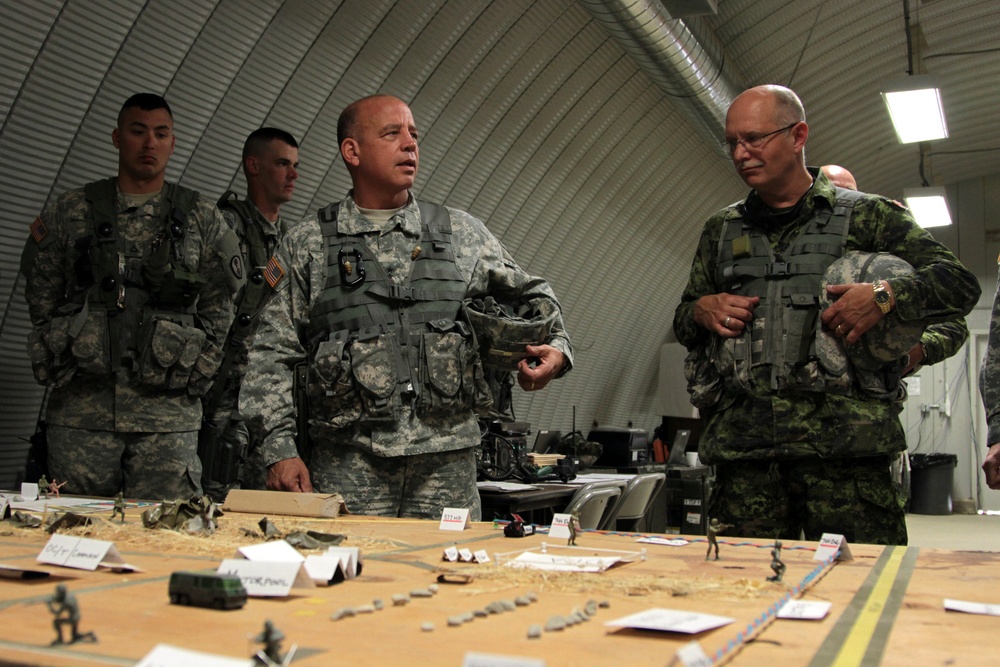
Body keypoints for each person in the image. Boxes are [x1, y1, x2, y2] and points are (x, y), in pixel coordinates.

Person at [241, 95, 573, 521]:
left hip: (447, 466)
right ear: (352, 152)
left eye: (414, 134)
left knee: (452, 580)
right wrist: (279, 450)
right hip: (349, 465)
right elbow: (268, 354)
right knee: (349, 581)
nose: (410, 144)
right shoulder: (308, 245)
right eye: (392, 133)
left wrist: (558, 351)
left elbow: (537, 299)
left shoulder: (460, 235)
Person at [673, 85, 979, 545]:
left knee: (859, 595)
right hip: (749, 460)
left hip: (846, 460)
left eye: (754, 138)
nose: (741, 153)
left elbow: (959, 285)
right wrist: (699, 310)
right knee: (743, 593)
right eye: (732, 142)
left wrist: (882, 296)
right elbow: (682, 321)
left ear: (798, 135)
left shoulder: (868, 217)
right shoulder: (721, 229)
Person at [21, 93, 244, 501]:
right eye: (138, 132)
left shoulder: (201, 217)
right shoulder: (71, 211)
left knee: (167, 532)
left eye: (161, 134)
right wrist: (64, 346)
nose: (149, 143)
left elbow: (221, 306)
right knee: (73, 528)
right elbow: (41, 293)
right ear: (116, 138)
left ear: (173, 144)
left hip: (168, 417)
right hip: (80, 415)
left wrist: (196, 368)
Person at [200, 128, 300, 501]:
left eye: (295, 166)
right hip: (225, 396)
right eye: (282, 164)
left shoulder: (291, 240)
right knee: (218, 497)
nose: (293, 174)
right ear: (253, 166)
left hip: (269, 399)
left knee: (270, 502)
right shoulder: (227, 228)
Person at [820, 164, 969, 376]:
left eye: (850, 194)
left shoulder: (884, 250)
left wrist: (915, 352)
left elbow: (953, 320)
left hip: (865, 394)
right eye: (832, 191)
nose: (841, 200)